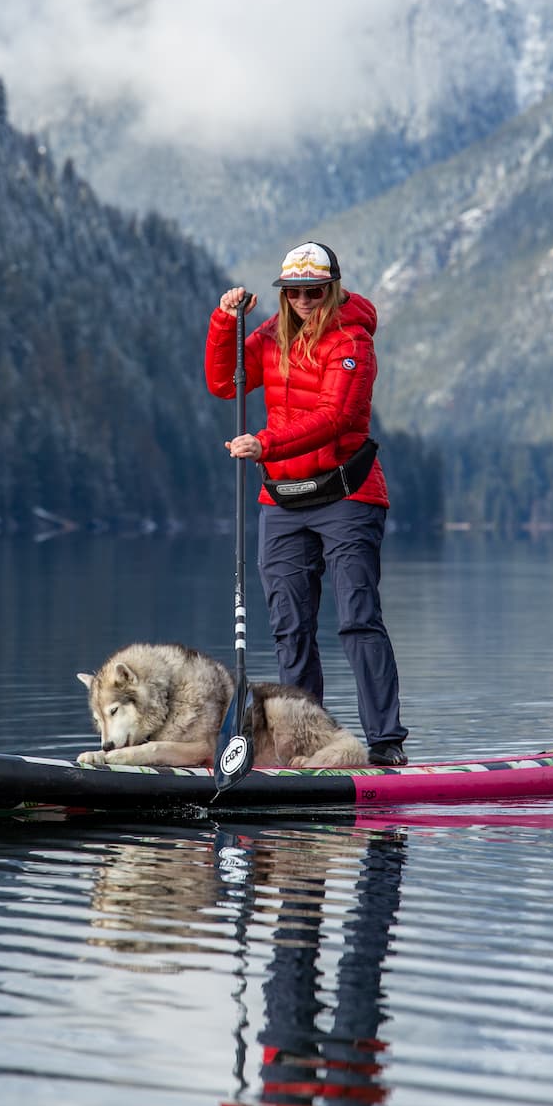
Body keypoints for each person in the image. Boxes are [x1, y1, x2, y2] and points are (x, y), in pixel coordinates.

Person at [204, 241, 408, 766]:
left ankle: (385, 745)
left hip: (348, 496)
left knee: (358, 620)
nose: (303, 301)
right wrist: (225, 322)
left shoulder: (353, 342)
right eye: (293, 292)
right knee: (290, 627)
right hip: (283, 500)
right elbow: (225, 383)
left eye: (313, 291)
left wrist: (266, 445)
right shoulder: (270, 336)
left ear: (332, 288)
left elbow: (334, 417)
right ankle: (309, 744)